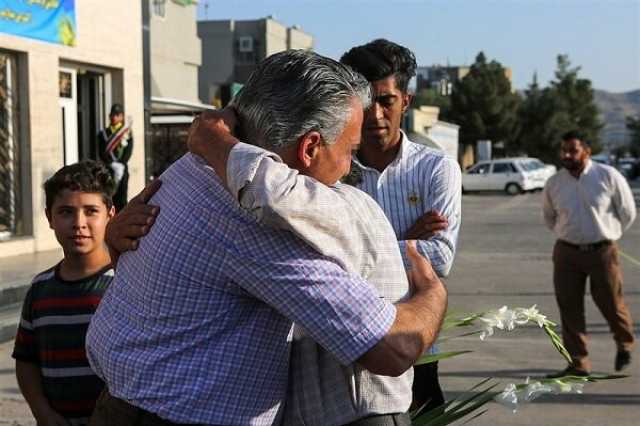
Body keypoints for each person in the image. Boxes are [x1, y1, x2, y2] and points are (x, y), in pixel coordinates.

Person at [86, 50, 447, 425]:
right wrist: (432, 298)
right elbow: (390, 349)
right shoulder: (258, 225)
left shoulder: (190, 167)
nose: (349, 169)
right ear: (309, 148)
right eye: (349, 152)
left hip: (116, 404)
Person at [341, 39, 462, 410]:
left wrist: (352, 248)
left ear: (405, 101)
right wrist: (407, 239)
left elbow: (439, 258)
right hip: (342, 335)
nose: (375, 114)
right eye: (366, 101)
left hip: (414, 337)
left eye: (386, 101)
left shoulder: (435, 170)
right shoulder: (332, 169)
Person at [12, 160, 116, 426]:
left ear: (110, 214)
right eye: (66, 212)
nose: (78, 223)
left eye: (91, 211)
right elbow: (26, 361)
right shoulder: (40, 288)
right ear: (49, 218)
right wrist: (42, 413)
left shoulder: (124, 284)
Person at [543, 130, 636, 377]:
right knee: (569, 307)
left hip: (602, 252)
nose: (567, 155)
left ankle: (624, 343)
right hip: (566, 253)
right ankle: (578, 362)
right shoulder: (555, 183)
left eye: (572, 150)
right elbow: (549, 217)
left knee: (611, 303)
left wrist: (606, 235)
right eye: (563, 150)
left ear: (587, 150)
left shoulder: (607, 176)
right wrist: (570, 235)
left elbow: (627, 212)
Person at [98, 103, 133, 212]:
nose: (114, 117)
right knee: (109, 196)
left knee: (122, 198)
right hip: (108, 169)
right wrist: (111, 164)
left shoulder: (126, 133)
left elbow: (128, 150)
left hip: (122, 169)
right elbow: (101, 151)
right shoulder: (103, 134)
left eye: (117, 115)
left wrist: (121, 163)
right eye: (112, 115)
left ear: (122, 117)